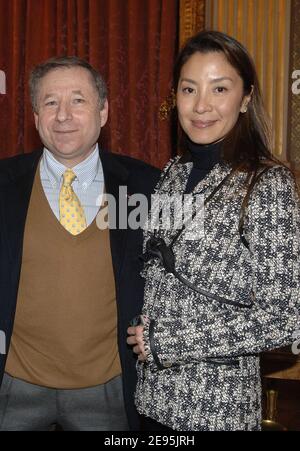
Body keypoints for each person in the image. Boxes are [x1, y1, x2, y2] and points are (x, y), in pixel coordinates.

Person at [127, 30, 300, 431]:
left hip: (216, 410)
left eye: (219, 88)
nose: (201, 105)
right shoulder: (173, 173)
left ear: (245, 98)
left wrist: (170, 342)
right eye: (189, 89)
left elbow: (284, 318)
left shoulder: (267, 183)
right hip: (151, 400)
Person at [0, 56, 160, 431]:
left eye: (78, 100)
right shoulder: (3, 184)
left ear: (103, 112)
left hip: (109, 392)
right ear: (36, 116)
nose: (63, 115)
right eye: (50, 102)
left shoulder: (145, 187)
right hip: (14, 387)